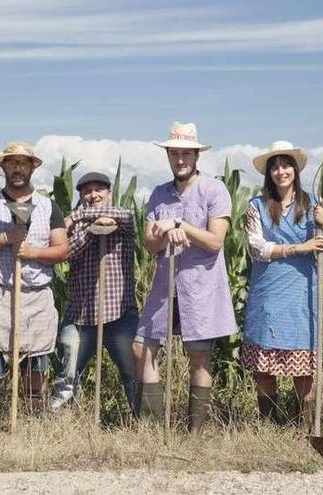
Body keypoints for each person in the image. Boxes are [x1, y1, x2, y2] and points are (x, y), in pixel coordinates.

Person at [133, 121, 237, 433]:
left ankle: (195, 431)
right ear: (168, 156)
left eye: (186, 154)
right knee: (141, 348)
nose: (180, 159)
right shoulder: (158, 194)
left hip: (201, 286)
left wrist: (182, 226)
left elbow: (216, 241)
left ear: (196, 156)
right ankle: (152, 426)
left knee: (198, 356)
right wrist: (164, 236)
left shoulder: (214, 190)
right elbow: (149, 243)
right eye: (174, 153)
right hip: (165, 284)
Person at [0, 141, 69, 419]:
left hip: (35, 293)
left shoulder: (49, 207)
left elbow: (62, 249)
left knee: (36, 361)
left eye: (23, 163)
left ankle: (32, 419)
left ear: (32, 167)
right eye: (12, 162)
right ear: (3, 167)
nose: (17, 168)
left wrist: (33, 252)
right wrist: (4, 238)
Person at [242, 141, 323, 424]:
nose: (280, 171)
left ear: (295, 170)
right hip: (267, 293)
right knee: (264, 365)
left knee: (302, 367)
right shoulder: (256, 206)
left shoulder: (315, 205)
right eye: (275, 167)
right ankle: (270, 424)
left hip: (301, 294)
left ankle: (305, 425)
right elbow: (257, 248)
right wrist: (300, 248)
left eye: (285, 166)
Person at [50, 172, 138, 412]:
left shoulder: (123, 219)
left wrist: (77, 215)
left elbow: (128, 215)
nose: (94, 195)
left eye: (99, 189)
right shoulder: (75, 230)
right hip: (81, 315)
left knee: (132, 372)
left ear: (109, 194)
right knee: (68, 372)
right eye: (87, 191)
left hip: (119, 313)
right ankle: (58, 423)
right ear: (81, 195)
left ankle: (142, 421)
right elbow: (68, 252)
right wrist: (91, 230)